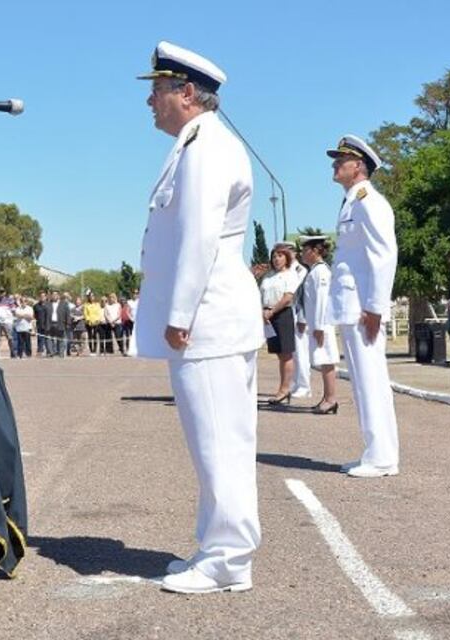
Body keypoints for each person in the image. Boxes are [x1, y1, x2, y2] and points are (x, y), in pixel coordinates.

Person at [135, 41, 263, 594]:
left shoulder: (208, 147)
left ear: (186, 93)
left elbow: (200, 237)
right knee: (216, 441)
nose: (150, 101)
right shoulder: (197, 143)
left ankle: (229, 557)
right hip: (209, 316)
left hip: (208, 316)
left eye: (158, 89)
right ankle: (218, 547)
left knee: (220, 442)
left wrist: (180, 313)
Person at [325, 135, 400, 478]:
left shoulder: (369, 201)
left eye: (341, 160)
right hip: (354, 307)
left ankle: (382, 458)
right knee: (363, 380)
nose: (335, 165)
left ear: (359, 166)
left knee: (370, 379)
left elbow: (383, 257)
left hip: (363, 309)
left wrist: (374, 308)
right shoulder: (352, 202)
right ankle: (376, 451)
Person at [297, 236, 340, 414]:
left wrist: (320, 326)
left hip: (322, 325)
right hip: (317, 324)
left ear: (315, 251)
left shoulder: (321, 271)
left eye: (305, 250)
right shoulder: (314, 271)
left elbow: (322, 300)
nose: (302, 254)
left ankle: (331, 399)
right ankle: (327, 397)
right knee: (323, 361)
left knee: (327, 360)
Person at [259, 246, 299, 404]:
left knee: (286, 354)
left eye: (280, 256)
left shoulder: (290, 275)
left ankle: (284, 389)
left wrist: (272, 311)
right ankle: (282, 388)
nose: (276, 259)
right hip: (267, 316)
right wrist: (263, 312)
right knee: (278, 354)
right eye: (274, 256)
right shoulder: (268, 276)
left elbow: (287, 297)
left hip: (282, 314)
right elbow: (261, 294)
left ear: (287, 258)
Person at [285, 244, 312, 398]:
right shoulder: (286, 270)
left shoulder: (300, 271)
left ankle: (304, 385)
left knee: (301, 351)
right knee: (293, 352)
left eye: (289, 251)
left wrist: (302, 317)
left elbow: (301, 296)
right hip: (288, 315)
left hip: (298, 315)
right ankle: (296, 383)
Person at [33, 292, 49, 357]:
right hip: (39, 324)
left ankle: (49, 351)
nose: (42, 297)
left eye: (43, 296)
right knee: (39, 339)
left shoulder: (49, 305)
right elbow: (35, 315)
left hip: (47, 325)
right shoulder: (36, 306)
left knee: (47, 339)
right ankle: (39, 351)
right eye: (41, 296)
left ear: (46, 297)